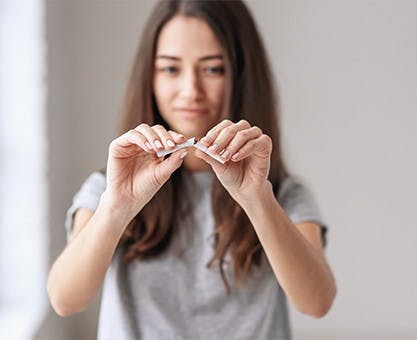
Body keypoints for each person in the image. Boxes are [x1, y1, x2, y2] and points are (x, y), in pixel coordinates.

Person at [47, 1, 337, 339]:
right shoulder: (107, 188)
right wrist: (116, 207)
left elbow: (317, 302)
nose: (191, 91)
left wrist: (257, 200)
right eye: (171, 69)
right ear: (150, 76)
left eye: (213, 69)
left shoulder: (283, 195)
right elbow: (65, 300)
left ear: (241, 75)